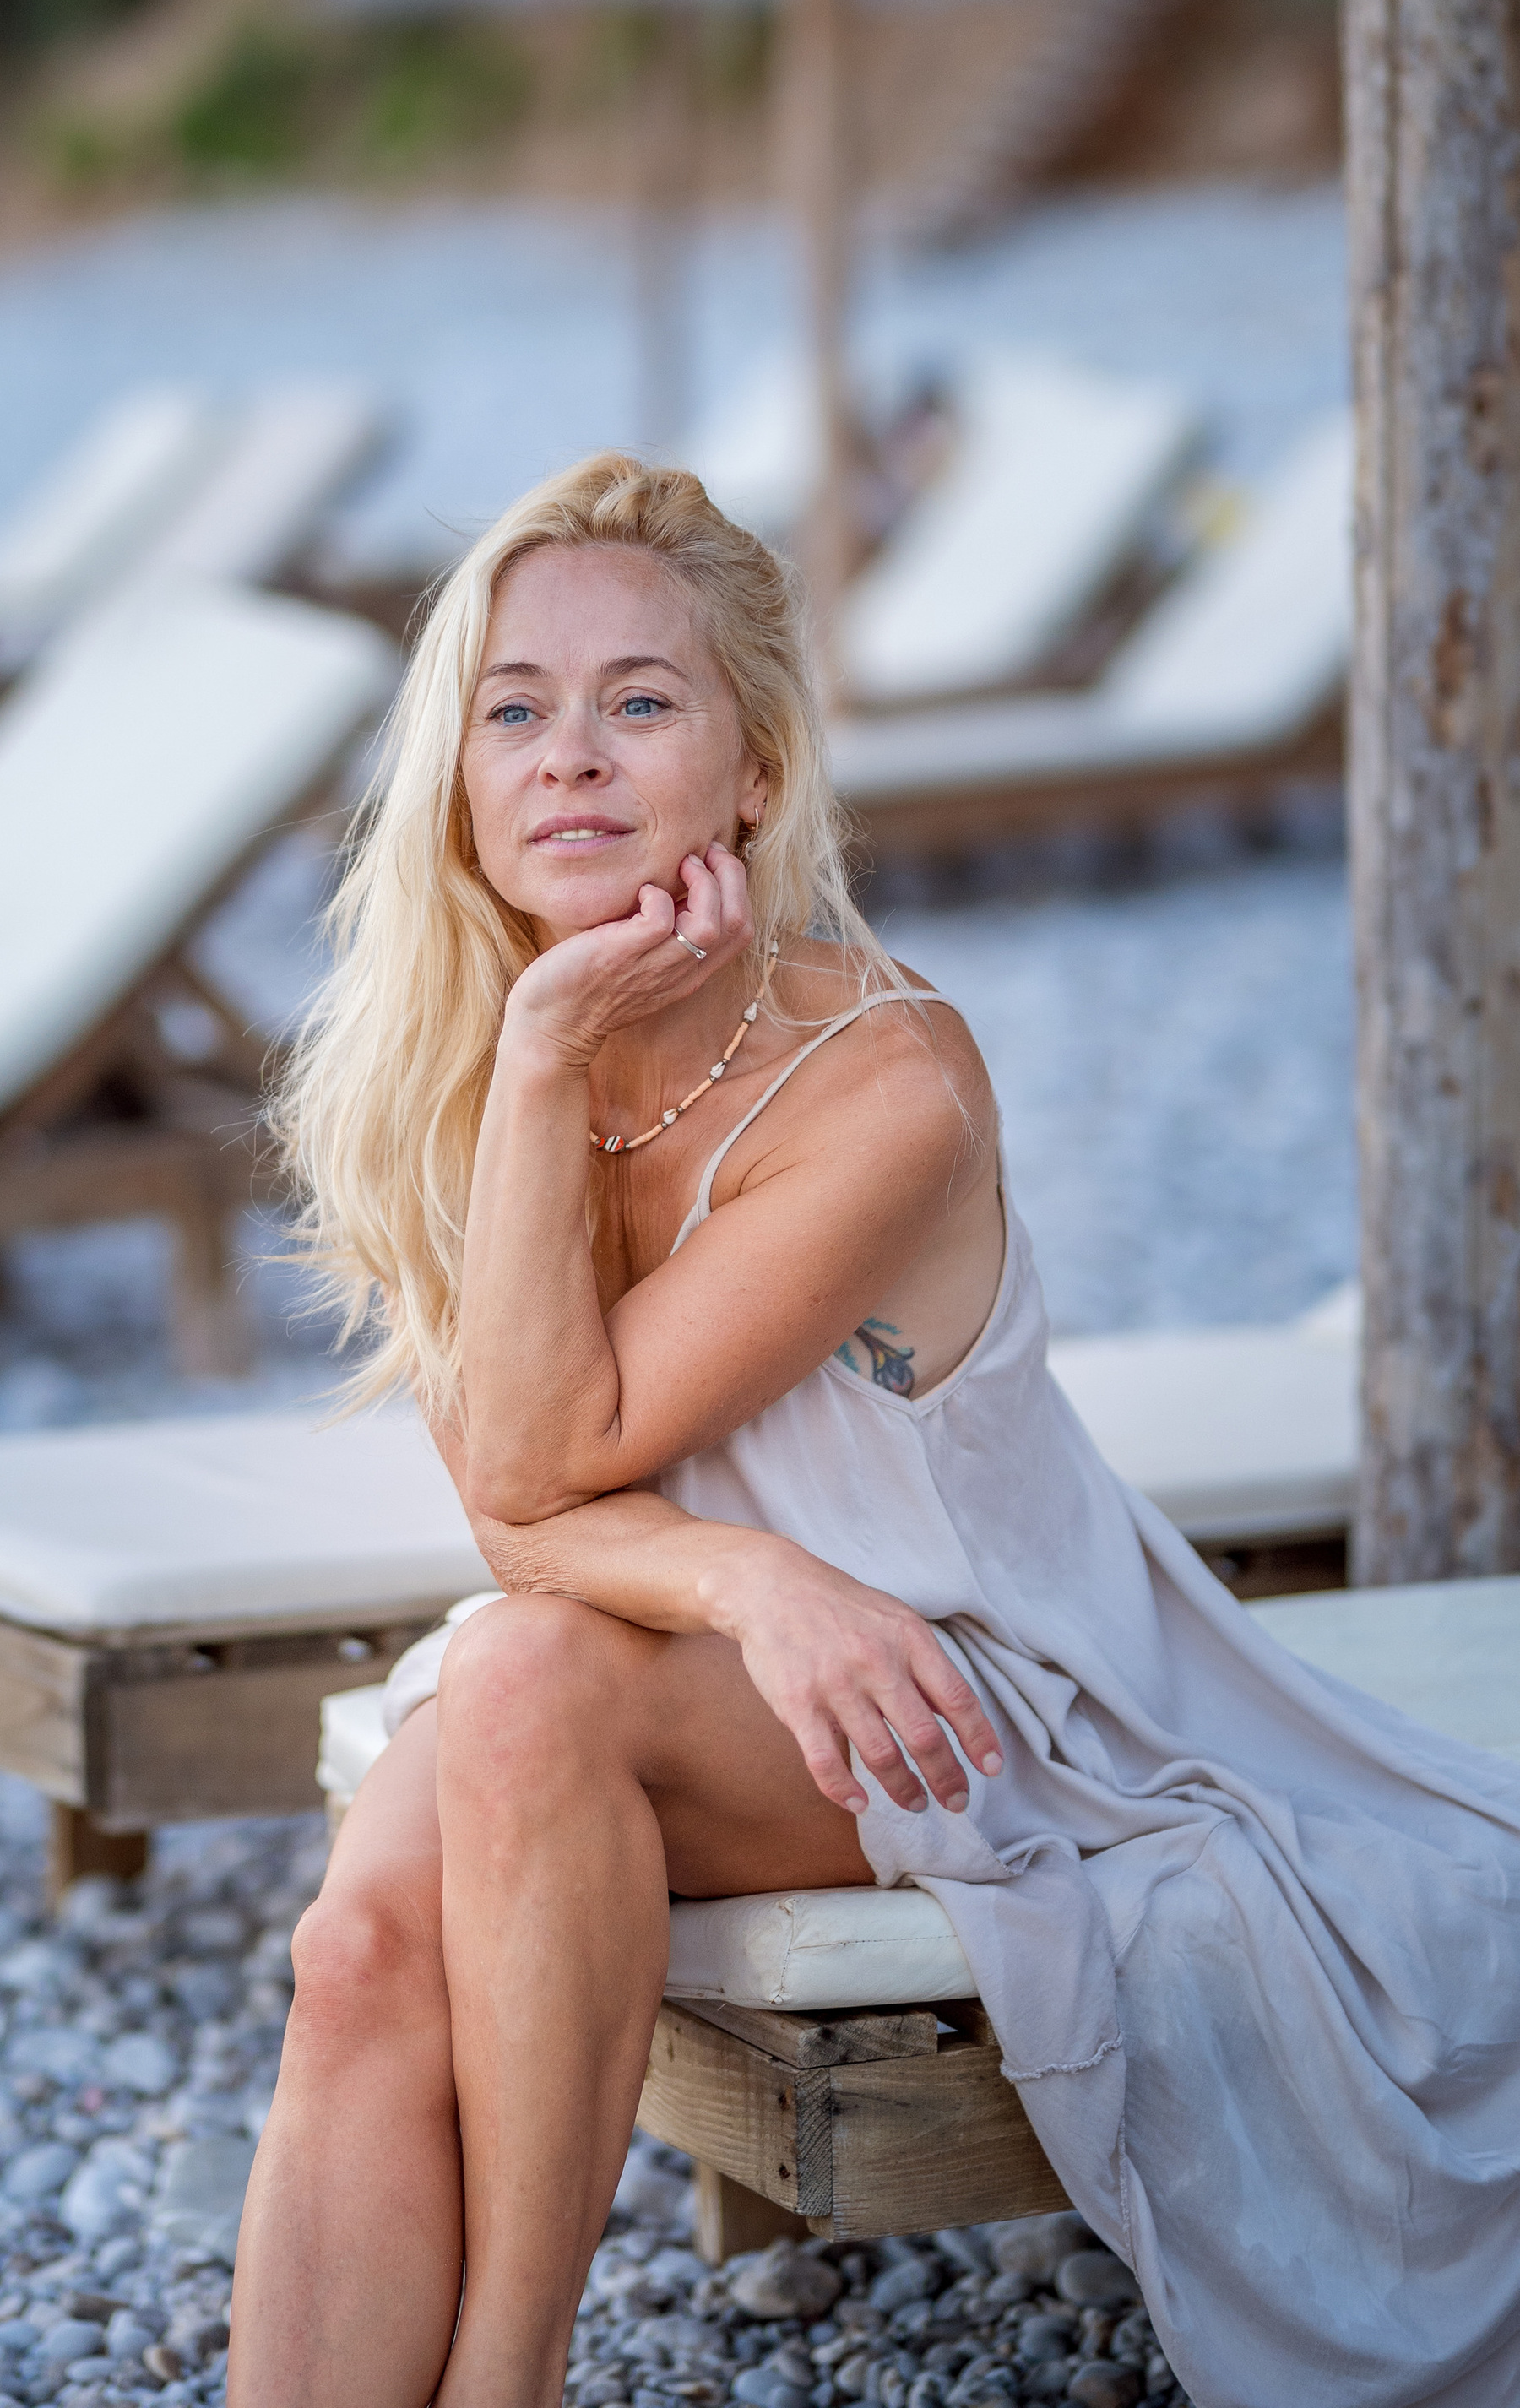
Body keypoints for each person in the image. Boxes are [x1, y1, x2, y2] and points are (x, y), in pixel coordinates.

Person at [226, 453, 1520, 2408]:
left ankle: (509, 2386)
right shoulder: (481, 1059)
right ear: (458, 778)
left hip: (977, 1697)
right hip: (704, 1660)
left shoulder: (877, 1084)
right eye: (514, 709)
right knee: (359, 1951)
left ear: (750, 772)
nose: (568, 754)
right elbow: (525, 1514)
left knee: (514, 1692)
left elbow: (525, 1486)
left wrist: (551, 1059)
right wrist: (752, 1578)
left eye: (637, 701)